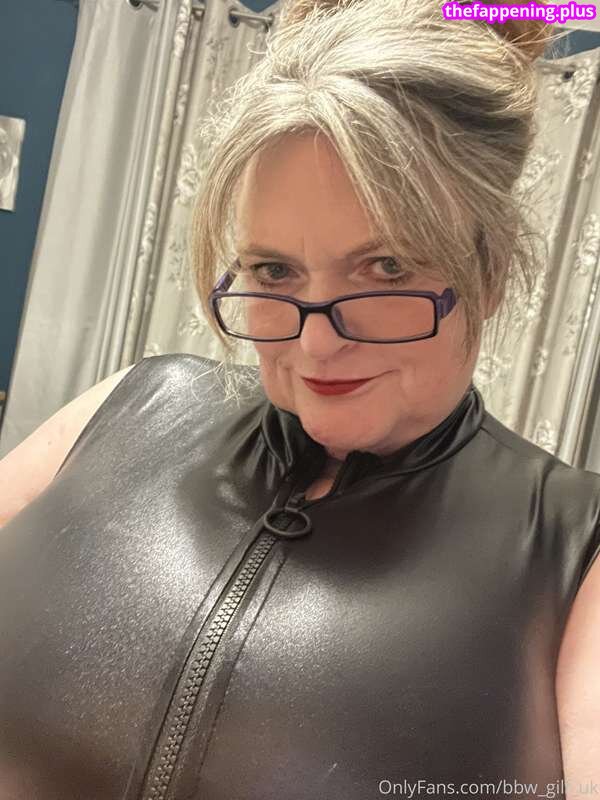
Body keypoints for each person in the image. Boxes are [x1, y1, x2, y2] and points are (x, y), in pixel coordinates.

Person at [0, 0, 599, 798]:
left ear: (487, 275)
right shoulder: (135, 402)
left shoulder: (573, 547)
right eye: (274, 271)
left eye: (387, 267)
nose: (316, 346)